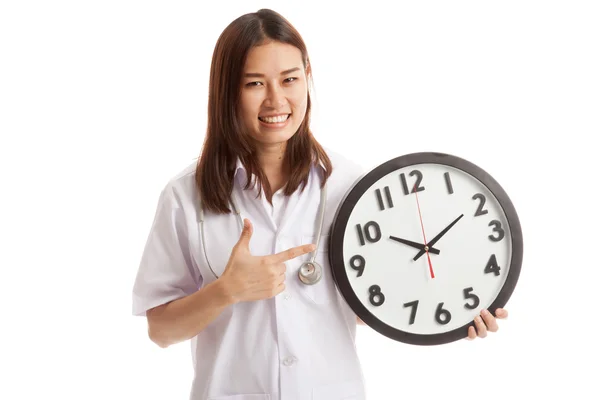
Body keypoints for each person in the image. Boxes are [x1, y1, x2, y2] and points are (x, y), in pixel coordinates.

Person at [131, 8, 508, 400]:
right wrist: (227, 291)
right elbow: (160, 330)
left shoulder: (353, 187)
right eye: (254, 83)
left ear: (307, 79)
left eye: (290, 79)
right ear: (226, 91)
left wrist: (452, 310)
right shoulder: (184, 196)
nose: (276, 100)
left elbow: (375, 303)